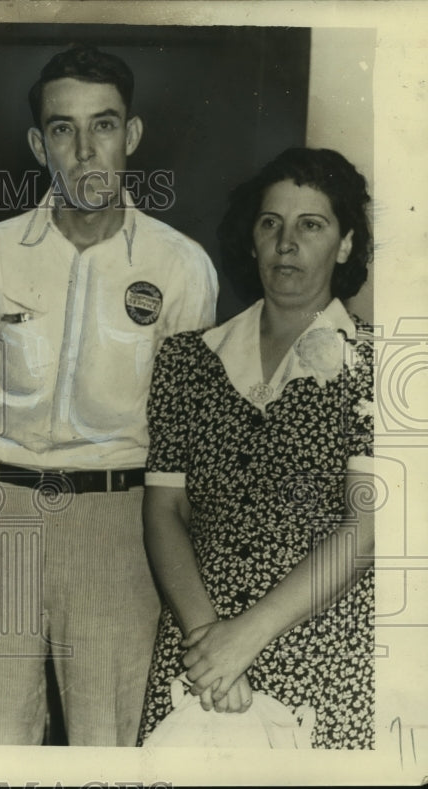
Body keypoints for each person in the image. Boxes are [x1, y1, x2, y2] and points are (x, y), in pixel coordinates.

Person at [0, 45, 218, 746]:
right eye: (64, 129)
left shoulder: (180, 265)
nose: (86, 149)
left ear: (132, 135)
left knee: (114, 739)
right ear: (39, 144)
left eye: (104, 125)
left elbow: (192, 434)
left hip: (118, 524)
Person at [137, 147, 375, 748]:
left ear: (345, 245)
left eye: (311, 225)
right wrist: (208, 639)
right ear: (251, 239)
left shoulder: (378, 363)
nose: (286, 243)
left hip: (318, 643)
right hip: (199, 645)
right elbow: (165, 512)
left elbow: (367, 526)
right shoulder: (186, 360)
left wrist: (243, 639)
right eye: (271, 223)